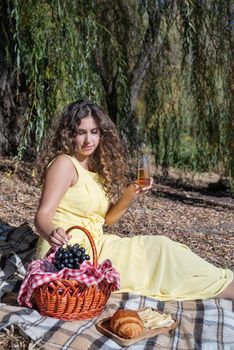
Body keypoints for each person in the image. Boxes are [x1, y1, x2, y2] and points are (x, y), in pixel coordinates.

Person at [35, 100, 234, 300]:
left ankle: (223, 279)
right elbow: (42, 215)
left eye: (94, 132)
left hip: (97, 245)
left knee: (163, 249)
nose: (89, 140)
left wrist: (131, 192)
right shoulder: (64, 164)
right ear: (69, 134)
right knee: (160, 257)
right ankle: (225, 286)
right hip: (71, 254)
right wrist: (51, 233)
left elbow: (107, 220)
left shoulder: (92, 168)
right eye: (81, 132)